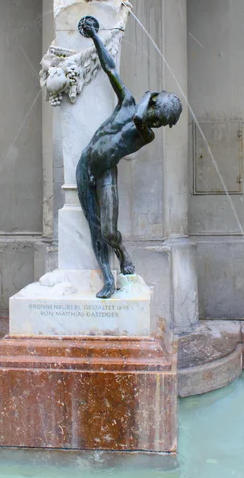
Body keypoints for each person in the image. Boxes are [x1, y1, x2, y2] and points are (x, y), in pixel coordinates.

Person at [76, 16, 182, 298]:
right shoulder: (128, 103)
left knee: (110, 232)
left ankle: (122, 253)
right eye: (157, 118)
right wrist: (95, 36)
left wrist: (150, 98)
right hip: (86, 166)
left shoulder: (145, 133)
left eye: (159, 123)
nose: (155, 124)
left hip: (106, 173)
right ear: (155, 104)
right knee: (94, 226)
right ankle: (108, 279)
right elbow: (110, 68)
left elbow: (138, 118)